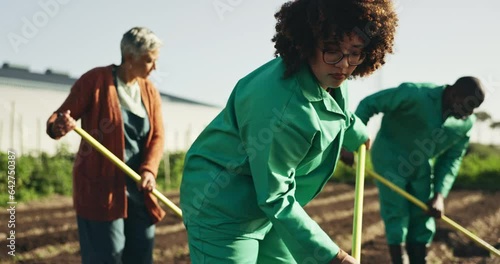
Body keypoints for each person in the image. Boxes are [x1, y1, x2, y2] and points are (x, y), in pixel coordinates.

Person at [179, 0, 398, 263]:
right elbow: (275, 197)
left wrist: (359, 134)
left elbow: (338, 111)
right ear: (306, 44)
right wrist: (334, 257)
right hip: (223, 206)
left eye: (355, 53)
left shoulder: (329, 75)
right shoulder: (282, 109)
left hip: (267, 204)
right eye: (332, 51)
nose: (343, 64)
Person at [46, 27, 165, 264]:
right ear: (130, 58)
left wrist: (149, 170)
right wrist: (61, 124)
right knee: (107, 257)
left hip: (139, 189)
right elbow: (57, 119)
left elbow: (157, 136)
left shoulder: (149, 91)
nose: (155, 68)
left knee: (141, 256)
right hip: (101, 190)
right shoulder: (95, 81)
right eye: (149, 61)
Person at [352, 77, 485, 263]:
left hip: (420, 165)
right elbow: (369, 104)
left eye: (474, 107)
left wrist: (439, 195)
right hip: (389, 158)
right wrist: (350, 142)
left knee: (424, 213)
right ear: (453, 93)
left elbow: (451, 159)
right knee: (397, 212)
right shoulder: (414, 94)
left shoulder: (464, 124)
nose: (469, 113)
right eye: (467, 105)